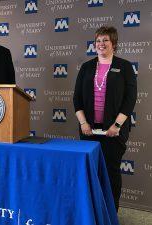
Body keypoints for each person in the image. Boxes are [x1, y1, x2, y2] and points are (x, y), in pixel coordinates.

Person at [73, 26, 137, 211]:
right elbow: (77, 98)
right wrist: (84, 123)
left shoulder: (124, 66)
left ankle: (110, 214)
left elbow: (130, 99)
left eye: (105, 40)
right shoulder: (86, 67)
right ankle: (91, 213)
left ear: (114, 44)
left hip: (114, 132)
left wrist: (117, 125)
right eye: (98, 41)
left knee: (111, 173)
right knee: (90, 173)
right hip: (88, 131)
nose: (101, 44)